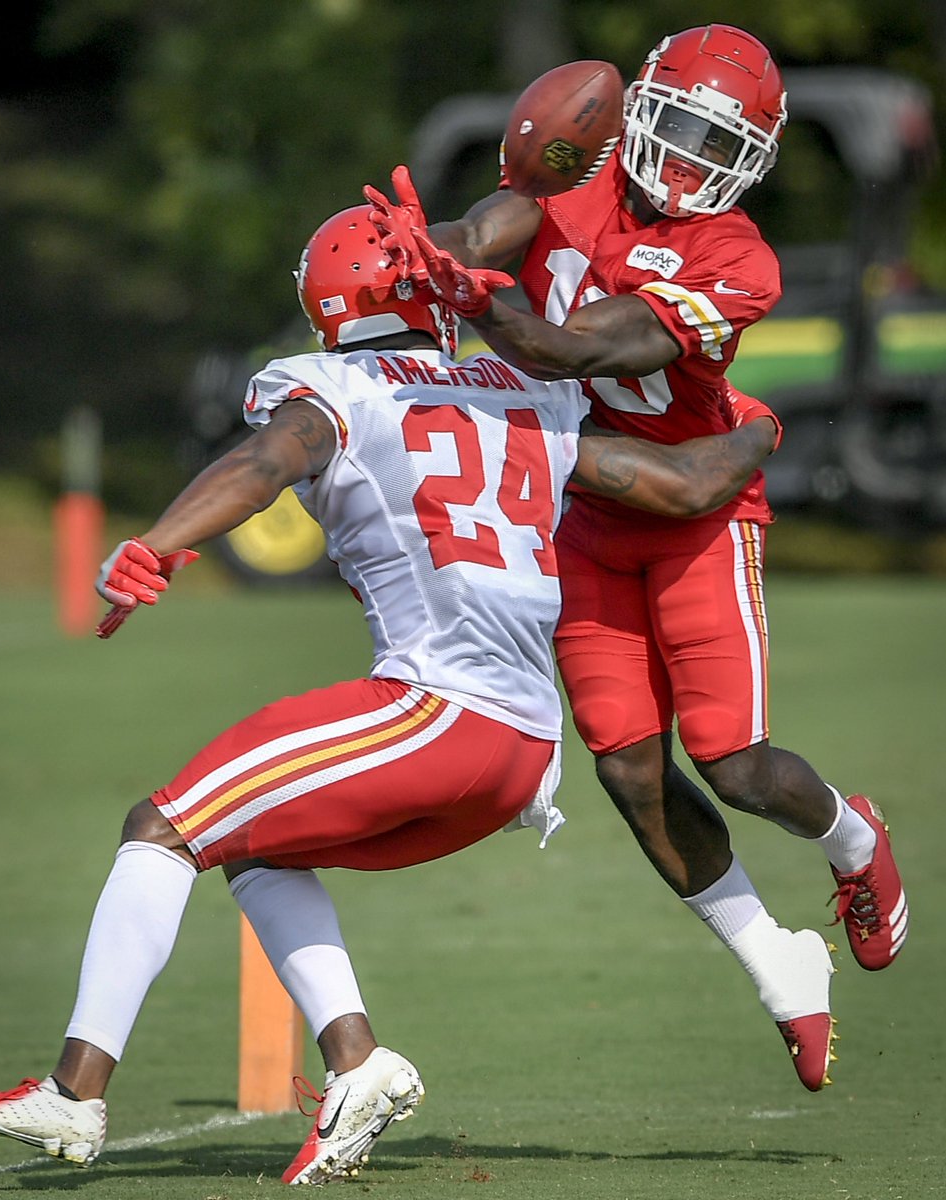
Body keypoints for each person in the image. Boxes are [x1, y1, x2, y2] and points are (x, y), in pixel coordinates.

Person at [0, 204, 779, 1185]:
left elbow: (261, 463)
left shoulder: (329, 384)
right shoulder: (522, 392)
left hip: (432, 710)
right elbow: (680, 485)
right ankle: (358, 1064)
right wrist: (756, 433)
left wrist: (157, 547)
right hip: (523, 757)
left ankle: (74, 1095)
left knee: (161, 828)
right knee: (256, 850)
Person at [363, 23, 908, 1094]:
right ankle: (775, 961)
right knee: (624, 764)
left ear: (752, 159)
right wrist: (438, 249)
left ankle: (853, 839)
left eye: (722, 144)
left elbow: (586, 347)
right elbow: (500, 215)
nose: (694, 161)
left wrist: (479, 300)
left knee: (734, 761)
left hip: (697, 508)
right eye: (685, 130)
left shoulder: (738, 257)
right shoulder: (589, 168)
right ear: (643, 107)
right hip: (587, 509)